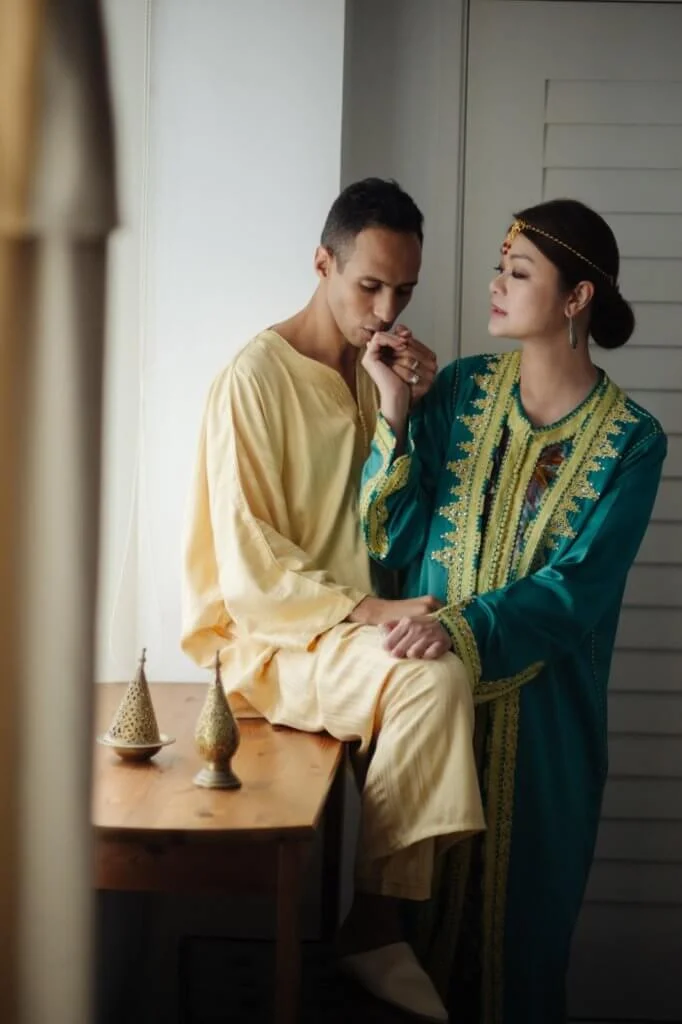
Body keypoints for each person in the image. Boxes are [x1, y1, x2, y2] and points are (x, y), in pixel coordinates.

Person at [181, 178, 485, 1021]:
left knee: (453, 663)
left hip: (345, 637)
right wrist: (378, 612)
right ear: (323, 263)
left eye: (404, 292)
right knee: (430, 681)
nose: (387, 311)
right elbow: (249, 563)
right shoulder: (252, 379)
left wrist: (403, 409)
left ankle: (405, 932)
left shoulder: (373, 371)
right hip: (270, 642)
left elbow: (390, 524)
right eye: (370, 286)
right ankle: (374, 929)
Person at [360, 198, 667, 1024]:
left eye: (519, 272)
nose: (495, 284)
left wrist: (457, 628)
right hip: (429, 716)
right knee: (410, 955)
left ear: (576, 299)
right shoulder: (460, 391)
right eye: (499, 268)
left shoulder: (633, 441)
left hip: (546, 741)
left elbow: (577, 590)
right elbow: (391, 539)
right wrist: (395, 408)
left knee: (517, 953)